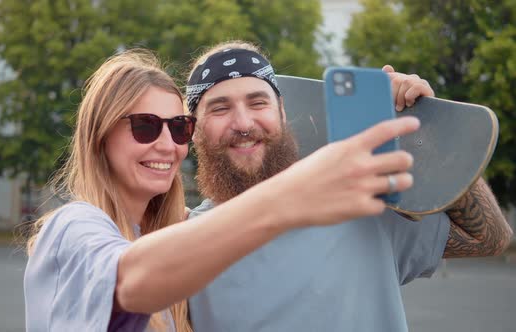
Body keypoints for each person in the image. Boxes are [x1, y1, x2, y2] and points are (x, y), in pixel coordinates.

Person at [23, 49, 425, 331]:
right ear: (99, 138)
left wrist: (431, 126)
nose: (166, 144)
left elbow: (484, 237)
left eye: (177, 127)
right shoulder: (72, 227)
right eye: (145, 126)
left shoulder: (175, 241)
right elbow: (130, 282)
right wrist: (292, 195)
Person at [185, 41, 514, 332]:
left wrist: (427, 130)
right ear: (194, 129)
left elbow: (489, 239)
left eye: (258, 103)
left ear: (283, 113)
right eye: (220, 108)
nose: (243, 123)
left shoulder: (358, 206)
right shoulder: (179, 242)